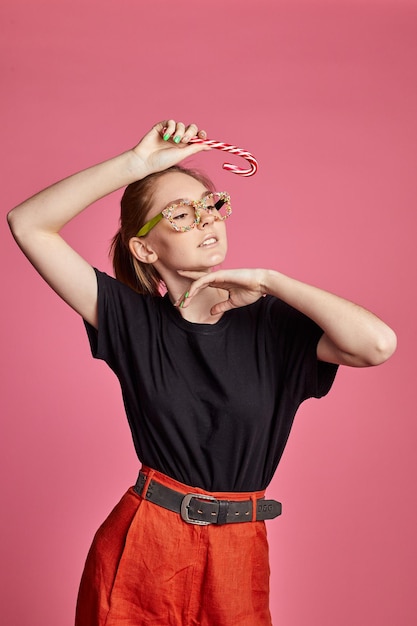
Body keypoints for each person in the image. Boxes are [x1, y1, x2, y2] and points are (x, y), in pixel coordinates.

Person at [7, 120, 397, 626]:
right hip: (145, 543)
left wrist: (270, 280)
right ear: (145, 249)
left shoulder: (273, 325)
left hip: (240, 549)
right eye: (180, 215)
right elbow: (27, 223)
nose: (206, 221)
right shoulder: (133, 321)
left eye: (211, 206)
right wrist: (136, 164)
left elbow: (377, 345)